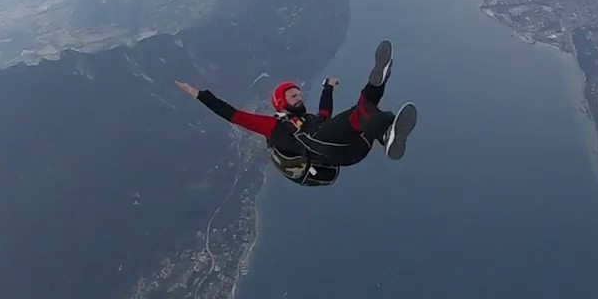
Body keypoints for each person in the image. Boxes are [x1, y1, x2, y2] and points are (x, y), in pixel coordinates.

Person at [175, 40, 417, 186]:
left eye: (299, 93)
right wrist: (199, 94)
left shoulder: (309, 122)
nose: (299, 96)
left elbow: (324, 113)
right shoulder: (275, 127)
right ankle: (384, 129)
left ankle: (378, 86)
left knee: (373, 110)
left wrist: (327, 87)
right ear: (281, 102)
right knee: (358, 114)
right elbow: (234, 115)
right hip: (327, 151)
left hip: (350, 150)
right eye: (293, 95)